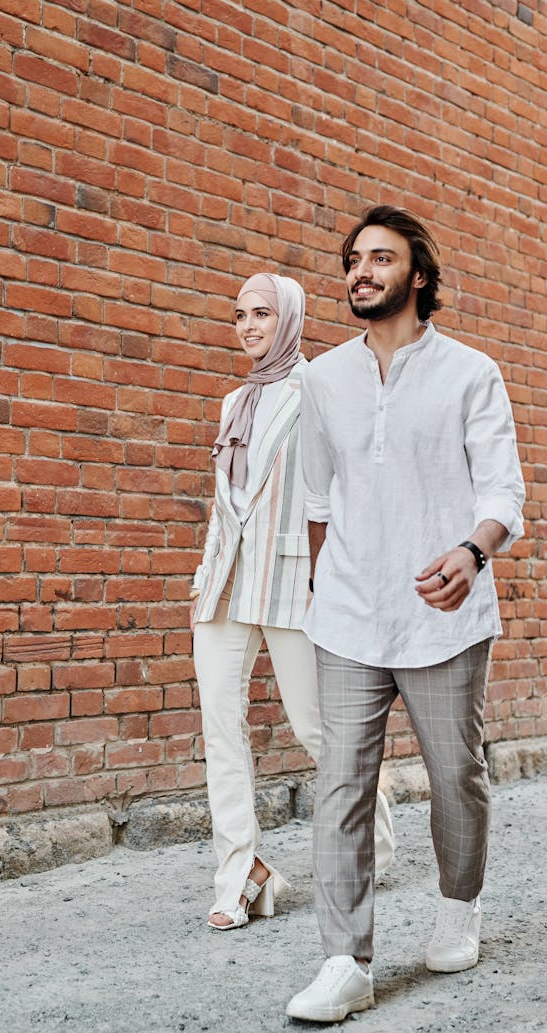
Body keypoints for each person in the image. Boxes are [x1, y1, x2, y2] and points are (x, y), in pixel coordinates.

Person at [286, 206, 526, 1021]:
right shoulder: (320, 379)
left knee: (457, 776)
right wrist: (326, 584)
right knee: (341, 784)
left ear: (418, 275)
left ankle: (459, 906)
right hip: (350, 614)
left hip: (444, 618)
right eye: (353, 259)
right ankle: (344, 960)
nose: (361, 271)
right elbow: (319, 495)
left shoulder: (470, 372)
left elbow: (503, 491)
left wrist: (471, 552)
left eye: (379, 258)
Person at [191, 272, 396, 932]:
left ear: (288, 319)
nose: (249, 325)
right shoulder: (233, 403)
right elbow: (225, 510)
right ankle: (240, 873)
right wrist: (203, 576)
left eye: (261, 313)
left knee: (319, 729)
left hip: (293, 584)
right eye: (240, 314)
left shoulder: (320, 390)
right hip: (225, 585)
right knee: (221, 727)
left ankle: (378, 838)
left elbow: (347, 488)